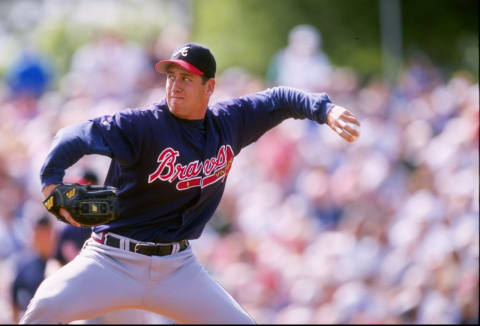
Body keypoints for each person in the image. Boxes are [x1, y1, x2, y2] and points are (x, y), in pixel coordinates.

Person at [20, 42, 360, 324]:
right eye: (172, 76)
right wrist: (51, 183)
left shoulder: (229, 123)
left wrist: (324, 109)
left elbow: (278, 100)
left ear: (209, 87)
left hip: (177, 268)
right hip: (111, 259)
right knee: (43, 310)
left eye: (186, 78)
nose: (175, 85)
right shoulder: (142, 125)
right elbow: (73, 136)